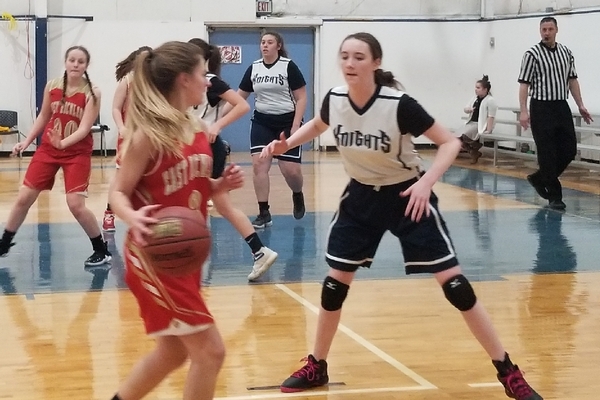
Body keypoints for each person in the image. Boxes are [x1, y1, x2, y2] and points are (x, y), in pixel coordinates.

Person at [263, 32, 543, 400]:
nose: (350, 63)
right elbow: (318, 125)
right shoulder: (335, 99)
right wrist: (287, 144)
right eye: (345, 56)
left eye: (359, 57)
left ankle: (508, 372)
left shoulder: (399, 104)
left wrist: (427, 181)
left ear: (375, 62)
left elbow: (450, 142)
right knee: (334, 287)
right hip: (361, 197)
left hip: (407, 194)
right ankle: (318, 364)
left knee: (456, 286)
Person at [108, 41, 244, 400]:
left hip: (184, 255)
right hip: (154, 254)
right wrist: (132, 216)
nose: (208, 82)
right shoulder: (145, 135)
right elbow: (117, 193)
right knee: (211, 352)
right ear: (184, 79)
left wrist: (219, 185)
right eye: (203, 74)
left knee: (173, 352)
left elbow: (193, 189)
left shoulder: (197, 126)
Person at [0, 46, 111, 267]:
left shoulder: (92, 92)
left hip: (76, 152)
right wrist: (27, 141)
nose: (76, 64)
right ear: (66, 62)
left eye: (81, 61)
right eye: (72, 60)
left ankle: (101, 249)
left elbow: (84, 128)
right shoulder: (52, 86)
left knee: (75, 204)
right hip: (48, 150)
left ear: (86, 65)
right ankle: (4, 244)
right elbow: (43, 116)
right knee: (24, 197)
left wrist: (63, 143)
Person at [188, 38, 278, 281]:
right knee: (221, 205)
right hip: (191, 147)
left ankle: (191, 262)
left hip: (206, 147)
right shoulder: (187, 82)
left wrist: (216, 125)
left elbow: (241, 105)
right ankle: (260, 250)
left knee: (198, 203)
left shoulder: (211, 82)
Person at [233, 31, 308, 228]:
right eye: (262, 42)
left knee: (290, 170)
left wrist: (295, 126)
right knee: (259, 165)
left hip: (287, 122)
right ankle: (264, 212)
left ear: (279, 46)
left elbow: (302, 97)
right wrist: (218, 116)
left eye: (270, 42)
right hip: (262, 122)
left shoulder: (288, 67)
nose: (265, 45)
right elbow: (238, 97)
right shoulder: (254, 68)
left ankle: (297, 194)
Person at [518, 16, 592, 211]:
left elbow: (572, 80)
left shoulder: (566, 53)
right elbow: (524, 84)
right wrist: (524, 110)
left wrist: (581, 104)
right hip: (541, 107)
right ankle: (554, 196)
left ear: (556, 30)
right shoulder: (531, 54)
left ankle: (540, 178)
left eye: (550, 29)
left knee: (569, 148)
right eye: (544, 29)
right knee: (547, 151)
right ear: (540, 31)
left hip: (561, 105)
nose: (547, 32)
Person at [101, 46, 152, 232]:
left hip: (149, 137)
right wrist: (121, 127)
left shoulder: (155, 83)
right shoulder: (127, 81)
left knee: (148, 177)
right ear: (135, 61)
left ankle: (146, 212)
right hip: (129, 137)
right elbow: (115, 108)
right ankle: (109, 212)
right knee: (121, 177)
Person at [458, 75, 497, 164]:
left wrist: (489, 129)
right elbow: (466, 108)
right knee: (457, 137)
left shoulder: (490, 100)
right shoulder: (474, 98)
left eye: (478, 88)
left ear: (485, 89)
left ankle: (475, 148)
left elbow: (491, 116)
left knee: (464, 135)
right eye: (476, 87)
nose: (476, 89)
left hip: (480, 124)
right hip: (471, 122)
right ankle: (474, 151)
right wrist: (468, 109)